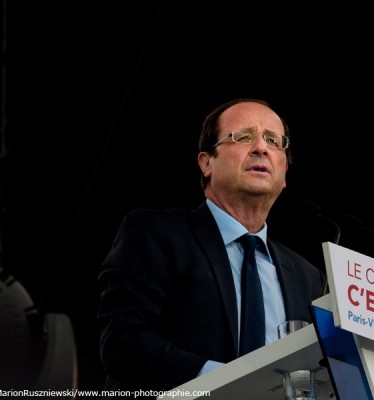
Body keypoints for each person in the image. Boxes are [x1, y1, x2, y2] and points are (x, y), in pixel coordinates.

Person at [97, 98, 327, 393]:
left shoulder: (307, 276)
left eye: (274, 141)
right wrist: (228, 382)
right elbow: (123, 342)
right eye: (243, 137)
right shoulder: (156, 233)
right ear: (206, 162)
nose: (261, 148)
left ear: (284, 175)